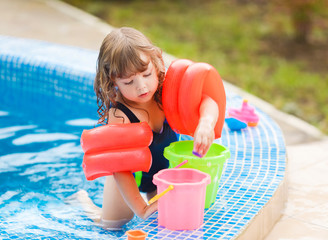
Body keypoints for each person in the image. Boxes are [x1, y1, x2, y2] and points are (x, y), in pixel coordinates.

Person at [75, 27, 220, 230]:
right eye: (129, 81)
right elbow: (120, 168)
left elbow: (208, 100)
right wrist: (140, 208)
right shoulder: (120, 114)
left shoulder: (165, 90)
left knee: (167, 224)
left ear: (156, 62)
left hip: (162, 173)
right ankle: (81, 202)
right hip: (128, 178)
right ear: (112, 81)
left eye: (146, 74)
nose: (141, 86)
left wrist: (206, 122)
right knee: (111, 226)